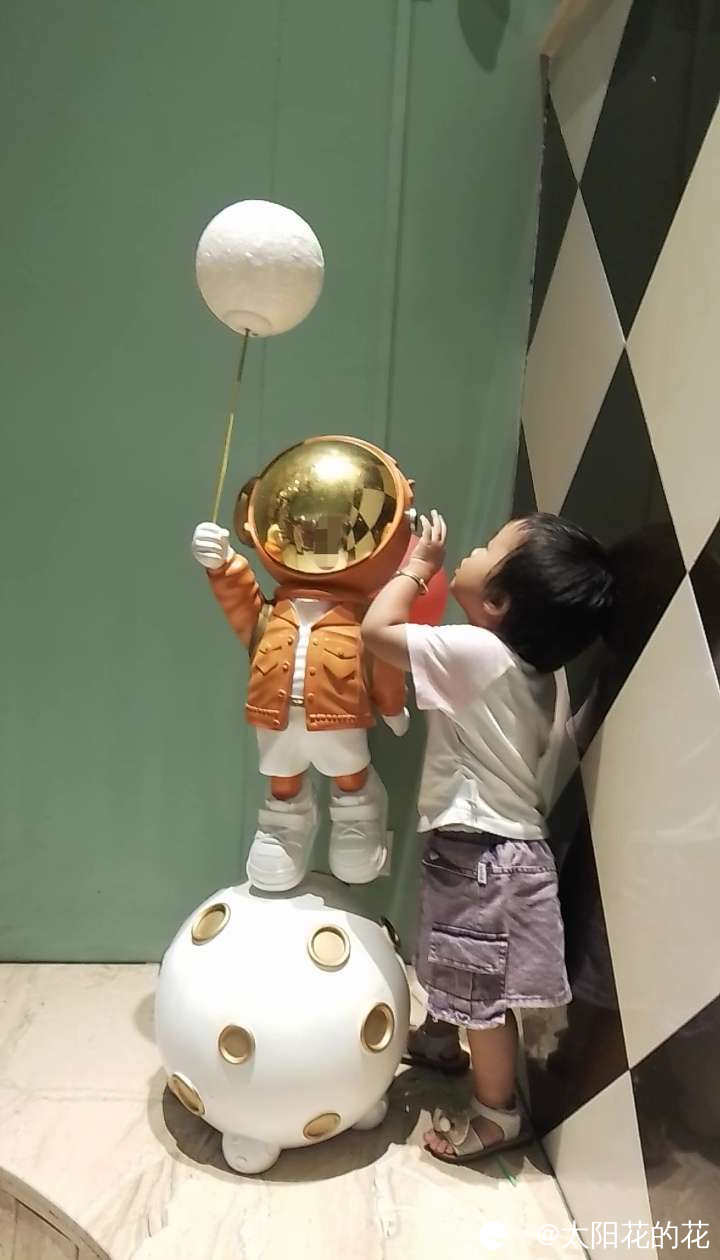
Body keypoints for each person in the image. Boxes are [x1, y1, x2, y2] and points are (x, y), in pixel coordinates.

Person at [361, 509, 614, 1163]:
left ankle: (496, 1114)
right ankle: (438, 1042)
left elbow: (377, 632)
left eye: (490, 546)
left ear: (498, 601)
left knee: (482, 995)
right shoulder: (539, 674)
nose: (472, 548)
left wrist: (416, 568)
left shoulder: (477, 653)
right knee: (459, 959)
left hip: (483, 852)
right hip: (499, 851)